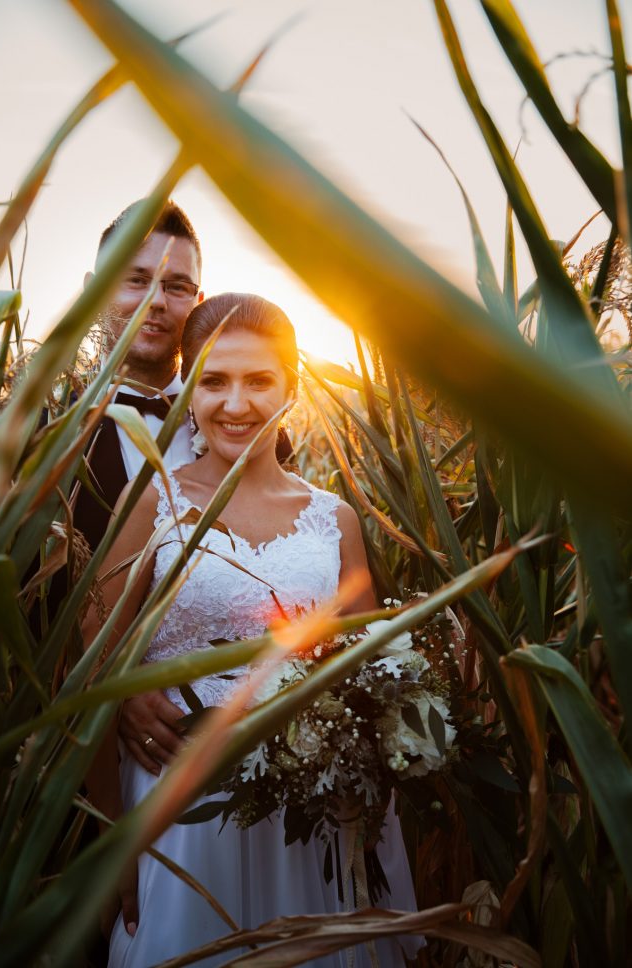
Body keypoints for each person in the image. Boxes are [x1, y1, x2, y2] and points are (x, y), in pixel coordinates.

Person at [83, 293, 420, 968]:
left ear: (290, 387)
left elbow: (373, 673)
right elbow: (91, 674)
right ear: (189, 389)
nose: (235, 403)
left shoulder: (335, 520)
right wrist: (112, 838)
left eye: (258, 380)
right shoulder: (153, 503)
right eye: (213, 380)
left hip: (319, 825)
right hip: (185, 818)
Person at [71, 201, 293, 779]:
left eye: (176, 286)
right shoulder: (43, 444)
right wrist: (116, 693)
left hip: (250, 761)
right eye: (136, 280)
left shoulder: (256, 428)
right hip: (89, 768)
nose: (156, 302)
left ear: (197, 300)